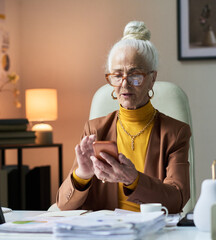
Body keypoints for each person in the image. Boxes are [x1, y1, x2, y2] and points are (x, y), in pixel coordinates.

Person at [56, 21, 191, 214]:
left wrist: (132, 179)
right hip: (105, 231)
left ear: (152, 78)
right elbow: (63, 204)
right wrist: (82, 175)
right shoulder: (95, 129)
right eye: (117, 76)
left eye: (135, 76)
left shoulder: (175, 133)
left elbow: (177, 199)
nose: (124, 84)